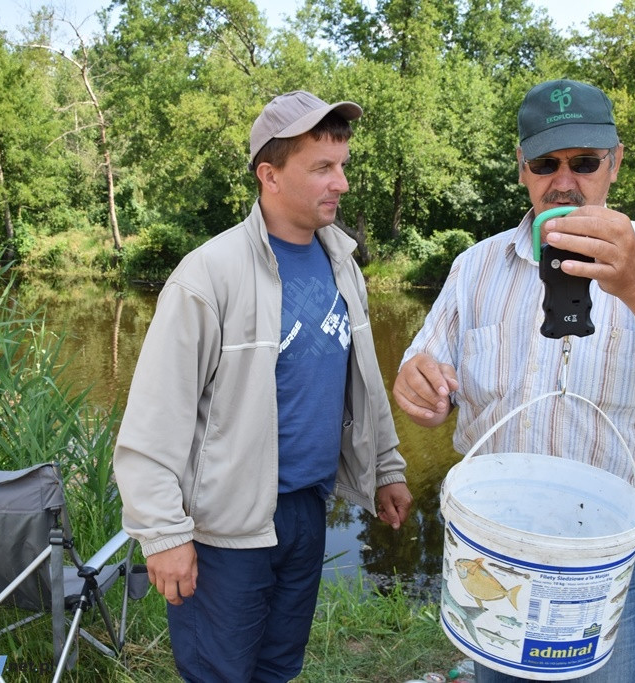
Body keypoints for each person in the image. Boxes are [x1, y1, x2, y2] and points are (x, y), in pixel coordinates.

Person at [393, 79, 635, 682]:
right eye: (545, 163)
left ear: (614, 162)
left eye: (584, 162)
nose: (564, 181)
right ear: (521, 167)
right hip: (498, 542)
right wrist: (420, 389)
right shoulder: (474, 266)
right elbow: (422, 374)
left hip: (612, 551)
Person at [114, 90, 413, 683]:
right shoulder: (208, 275)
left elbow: (362, 381)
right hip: (225, 528)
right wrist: (163, 534)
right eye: (323, 168)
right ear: (269, 175)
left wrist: (385, 466)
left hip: (306, 508)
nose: (342, 183)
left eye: (343, 165)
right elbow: (154, 417)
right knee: (221, 673)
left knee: (279, 667)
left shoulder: (342, 263)